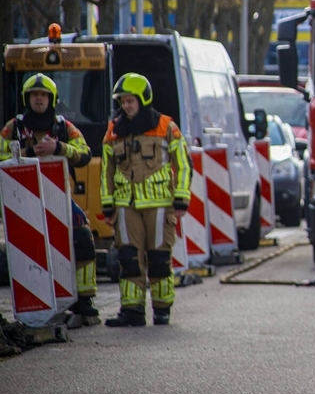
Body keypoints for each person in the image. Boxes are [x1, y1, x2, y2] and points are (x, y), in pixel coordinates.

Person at [0, 73, 99, 326]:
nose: (39, 99)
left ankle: (84, 300)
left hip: (59, 198)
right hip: (22, 202)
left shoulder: (64, 127)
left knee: (83, 237)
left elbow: (85, 153)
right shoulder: (13, 128)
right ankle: (35, 301)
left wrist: (60, 148)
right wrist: (29, 152)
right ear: (27, 99)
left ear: (52, 99)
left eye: (43, 95)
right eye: (34, 95)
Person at [101, 73, 191, 327]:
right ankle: (132, 311)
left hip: (160, 205)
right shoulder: (114, 130)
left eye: (130, 100)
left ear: (143, 99)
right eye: (123, 101)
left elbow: (183, 164)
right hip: (126, 206)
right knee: (128, 259)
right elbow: (106, 171)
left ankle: (162, 310)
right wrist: (107, 205)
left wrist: (181, 198)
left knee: (159, 259)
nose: (126, 106)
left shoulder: (166, 126)